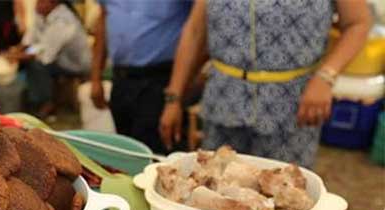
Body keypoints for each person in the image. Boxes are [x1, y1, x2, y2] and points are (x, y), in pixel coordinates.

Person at [159, 0, 372, 167]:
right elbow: (195, 31)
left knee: (281, 200)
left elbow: (358, 23)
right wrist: (174, 97)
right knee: (217, 194)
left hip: (292, 108)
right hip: (224, 104)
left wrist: (326, 77)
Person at [90, 0, 192, 154]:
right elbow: (103, 21)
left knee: (159, 156)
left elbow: (198, 30)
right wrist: (95, 78)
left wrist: (175, 98)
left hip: (160, 83)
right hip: (121, 81)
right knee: (126, 153)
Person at [8, 0, 90, 118]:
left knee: (36, 65)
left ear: (54, 3)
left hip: (74, 64)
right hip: (56, 56)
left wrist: (15, 56)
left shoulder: (63, 21)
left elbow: (45, 55)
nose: (37, 5)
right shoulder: (42, 14)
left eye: (41, 2)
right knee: (28, 60)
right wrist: (17, 50)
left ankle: (47, 104)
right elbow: (31, 39)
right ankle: (38, 98)